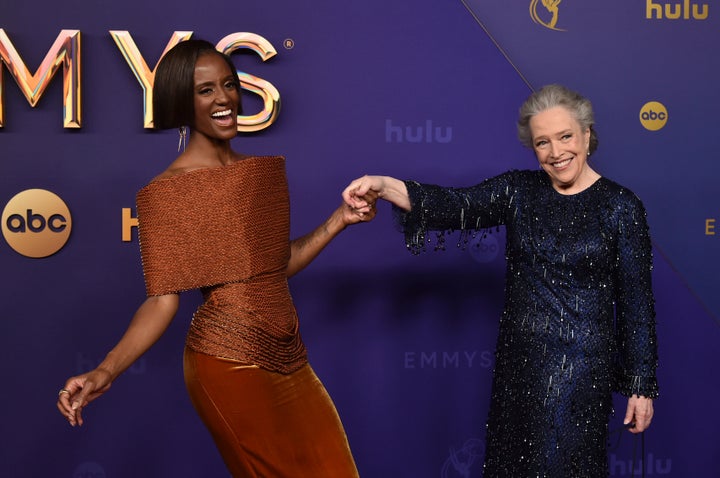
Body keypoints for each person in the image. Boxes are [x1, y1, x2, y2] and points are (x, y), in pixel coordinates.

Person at [56, 39, 373, 477]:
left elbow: (273, 268)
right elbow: (162, 300)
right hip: (227, 362)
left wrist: (338, 220)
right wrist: (105, 371)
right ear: (181, 102)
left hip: (290, 354)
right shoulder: (165, 192)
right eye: (205, 90)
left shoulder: (263, 173)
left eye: (228, 85)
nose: (223, 98)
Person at [343, 84, 659, 477]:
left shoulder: (621, 206)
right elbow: (456, 205)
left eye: (565, 137)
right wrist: (385, 185)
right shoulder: (518, 191)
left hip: (582, 373)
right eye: (543, 143)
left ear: (587, 135)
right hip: (520, 367)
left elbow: (637, 303)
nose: (556, 152)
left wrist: (640, 385)